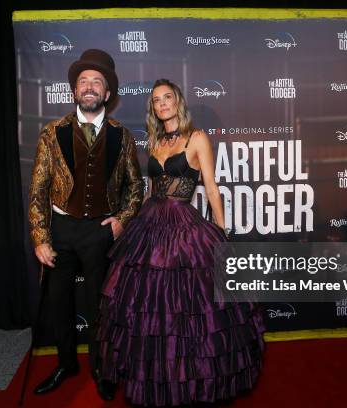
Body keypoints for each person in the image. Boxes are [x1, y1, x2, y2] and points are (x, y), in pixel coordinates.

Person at [97, 79, 265, 406]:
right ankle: (156, 374)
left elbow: (212, 187)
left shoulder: (197, 137)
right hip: (150, 224)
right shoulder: (154, 141)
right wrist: (129, 221)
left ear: (178, 102)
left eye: (167, 98)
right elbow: (151, 190)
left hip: (183, 223)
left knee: (187, 305)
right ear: (154, 109)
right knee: (148, 305)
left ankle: (191, 376)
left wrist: (221, 231)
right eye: (157, 101)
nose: (162, 104)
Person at [28, 49, 143, 400]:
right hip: (61, 231)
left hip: (99, 231)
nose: (89, 87)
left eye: (97, 82)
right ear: (74, 91)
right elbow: (38, 189)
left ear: (107, 94)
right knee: (58, 302)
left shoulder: (121, 136)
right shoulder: (52, 133)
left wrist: (121, 221)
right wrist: (40, 237)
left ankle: (99, 366)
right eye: (83, 82)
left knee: (98, 306)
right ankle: (66, 363)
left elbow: (136, 187)